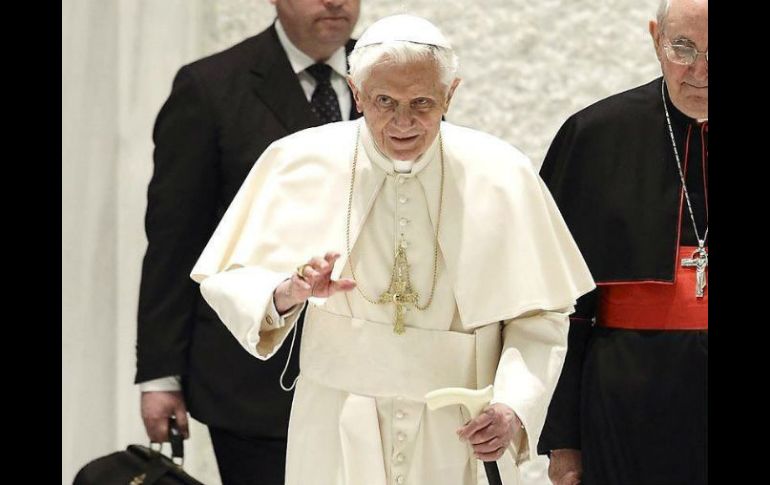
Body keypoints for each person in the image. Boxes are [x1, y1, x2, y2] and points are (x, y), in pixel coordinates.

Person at [190, 14, 595, 485]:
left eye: (422, 102)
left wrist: (512, 407)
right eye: (384, 102)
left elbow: (540, 317)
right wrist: (289, 289)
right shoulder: (298, 160)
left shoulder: (501, 173)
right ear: (356, 93)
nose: (404, 122)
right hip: (336, 421)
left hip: (459, 427)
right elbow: (230, 276)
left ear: (451, 94)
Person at [135, 1, 360, 484]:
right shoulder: (211, 87)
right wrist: (161, 375)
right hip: (251, 381)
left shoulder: (392, 83)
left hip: (368, 378)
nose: (336, 1)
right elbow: (176, 239)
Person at [537, 1, 708, 484]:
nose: (699, 71)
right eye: (683, 48)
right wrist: (564, 437)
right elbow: (560, 305)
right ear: (656, 38)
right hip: (626, 398)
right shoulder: (594, 135)